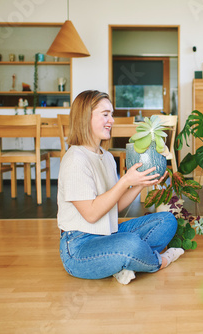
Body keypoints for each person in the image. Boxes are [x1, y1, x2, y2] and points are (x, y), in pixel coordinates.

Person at [57, 90, 183, 285]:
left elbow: (115, 206)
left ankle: (123, 262)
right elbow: (91, 214)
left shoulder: (106, 157)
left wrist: (140, 183)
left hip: (109, 233)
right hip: (79, 247)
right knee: (130, 244)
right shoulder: (75, 159)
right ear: (85, 117)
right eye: (105, 114)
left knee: (166, 221)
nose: (112, 120)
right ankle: (159, 261)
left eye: (112, 114)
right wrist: (125, 181)